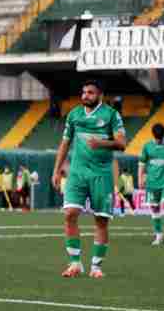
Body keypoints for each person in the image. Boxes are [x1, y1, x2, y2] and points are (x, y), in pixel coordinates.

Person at [53, 80, 126, 279]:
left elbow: (122, 144)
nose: (86, 96)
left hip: (101, 173)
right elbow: (65, 143)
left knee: (101, 220)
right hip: (77, 172)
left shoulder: (111, 115)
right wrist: (57, 169)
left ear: (100, 95)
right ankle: (75, 263)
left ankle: (96, 266)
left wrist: (101, 142)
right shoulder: (74, 115)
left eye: (90, 93)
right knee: (70, 213)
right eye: (84, 92)